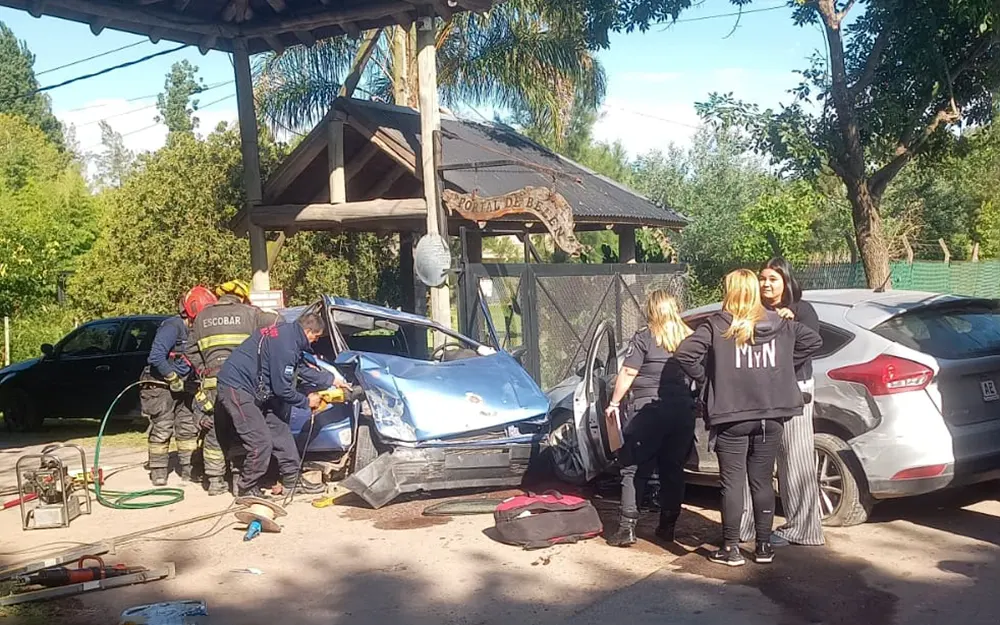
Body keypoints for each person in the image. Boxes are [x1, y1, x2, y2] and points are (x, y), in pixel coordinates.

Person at [675, 269, 821, 567]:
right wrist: (780, 368)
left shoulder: (718, 324)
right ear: (755, 290)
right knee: (763, 481)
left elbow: (685, 353)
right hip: (771, 415)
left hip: (732, 415)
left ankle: (731, 549)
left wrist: (708, 379)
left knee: (732, 483)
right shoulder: (781, 323)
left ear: (729, 292)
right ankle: (764, 547)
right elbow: (813, 342)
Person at [739, 258, 825, 546]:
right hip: (762, 396)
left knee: (796, 459)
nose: (766, 284)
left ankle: (804, 529)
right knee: (756, 461)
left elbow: (808, 346)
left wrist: (776, 366)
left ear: (786, 281)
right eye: (762, 278)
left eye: (773, 279)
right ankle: (747, 528)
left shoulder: (802, 311)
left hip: (796, 391)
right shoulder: (754, 312)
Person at [216, 312, 347, 498]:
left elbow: (299, 368)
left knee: (281, 432)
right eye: (315, 337)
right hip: (236, 389)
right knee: (260, 442)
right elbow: (282, 389)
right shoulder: (286, 345)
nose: (315, 341)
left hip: (258, 391)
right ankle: (246, 488)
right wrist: (306, 401)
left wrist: (331, 380)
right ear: (308, 330)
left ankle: (292, 481)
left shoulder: (289, 336)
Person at [604, 290, 695, 548]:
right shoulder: (690, 337)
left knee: (632, 467)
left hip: (649, 410)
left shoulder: (645, 336)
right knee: (673, 469)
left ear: (652, 310)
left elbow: (629, 370)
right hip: (681, 411)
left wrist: (613, 402)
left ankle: (627, 528)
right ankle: (668, 526)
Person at [185, 279, 279, 496]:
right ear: (243, 296)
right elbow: (276, 327)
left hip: (211, 384)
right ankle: (238, 480)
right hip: (240, 384)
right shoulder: (251, 314)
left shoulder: (201, 318)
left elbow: (189, 351)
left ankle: (215, 482)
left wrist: (205, 369)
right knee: (241, 430)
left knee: (213, 431)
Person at [141, 285, 217, 486]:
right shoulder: (172, 327)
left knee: (188, 429)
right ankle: (158, 470)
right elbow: (156, 356)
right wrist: (172, 377)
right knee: (163, 427)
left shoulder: (197, 329)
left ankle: (188, 469)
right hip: (160, 385)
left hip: (186, 385)